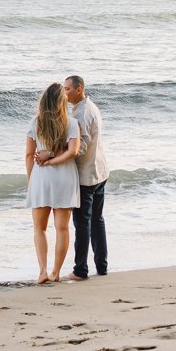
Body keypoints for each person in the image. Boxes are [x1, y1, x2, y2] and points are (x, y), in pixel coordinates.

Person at [38, 74, 108, 279]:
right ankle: (102, 266)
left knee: (83, 223)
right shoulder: (89, 106)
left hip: (87, 175)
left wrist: (51, 154)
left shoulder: (80, 115)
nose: (65, 92)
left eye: (68, 89)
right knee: (97, 220)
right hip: (100, 171)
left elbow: (79, 148)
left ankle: (80, 270)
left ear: (79, 89)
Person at [24, 81, 81, 284]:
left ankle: (42, 271)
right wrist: (55, 158)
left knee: (39, 228)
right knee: (62, 228)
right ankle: (56, 272)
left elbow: (30, 155)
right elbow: (72, 151)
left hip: (42, 178)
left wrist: (32, 181)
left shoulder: (35, 122)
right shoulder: (72, 123)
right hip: (65, 177)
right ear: (61, 101)